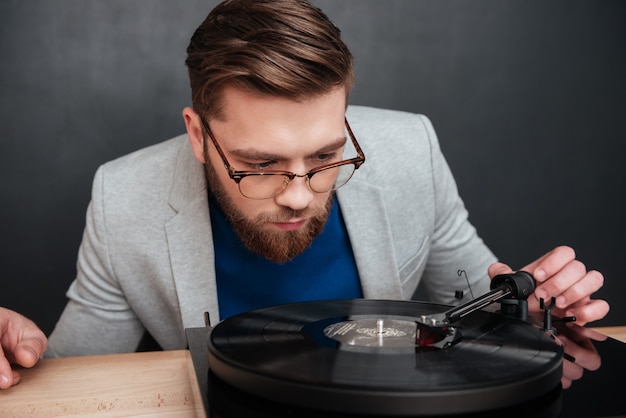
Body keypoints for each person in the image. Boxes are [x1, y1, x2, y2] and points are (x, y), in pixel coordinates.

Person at [0, 0, 609, 389]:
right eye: (259, 165)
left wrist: (525, 308)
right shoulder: (122, 195)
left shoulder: (409, 149)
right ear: (197, 134)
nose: (298, 196)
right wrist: (15, 355)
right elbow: (68, 378)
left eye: (324, 157)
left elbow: (474, 297)